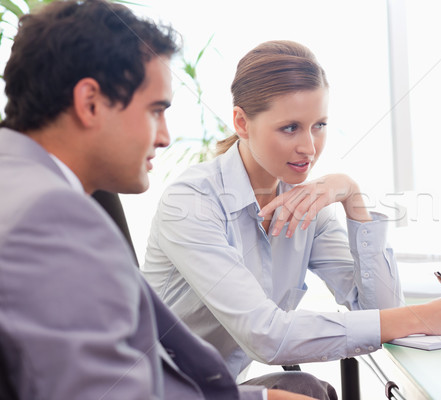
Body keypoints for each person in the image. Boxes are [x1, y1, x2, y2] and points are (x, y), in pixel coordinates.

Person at [142, 40, 441, 397]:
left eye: (319, 125)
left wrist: (353, 198)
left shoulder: (306, 207)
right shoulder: (192, 201)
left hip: (212, 389)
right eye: (291, 128)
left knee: (308, 387)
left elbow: (380, 312)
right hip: (150, 390)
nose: (309, 148)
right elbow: (267, 337)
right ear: (241, 122)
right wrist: (425, 317)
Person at [0, 2, 314, 399]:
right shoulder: (48, 213)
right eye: (155, 111)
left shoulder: (22, 184)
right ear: (90, 102)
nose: (164, 137)